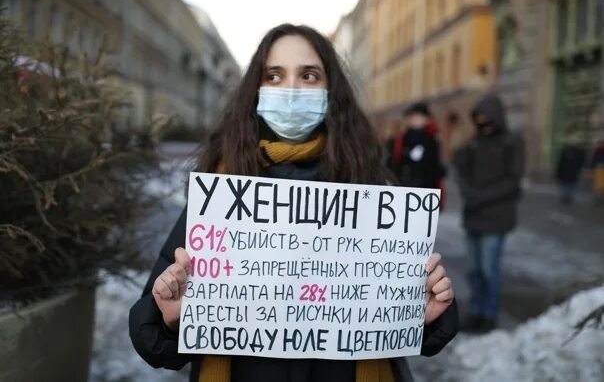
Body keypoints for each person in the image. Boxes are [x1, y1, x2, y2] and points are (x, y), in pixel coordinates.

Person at [129, 24, 458, 382]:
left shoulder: (371, 191)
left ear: (331, 92)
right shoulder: (221, 195)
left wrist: (423, 313)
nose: (291, 90)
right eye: (274, 75)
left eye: (309, 75)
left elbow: (407, 317)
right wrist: (171, 318)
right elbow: (152, 332)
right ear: (255, 90)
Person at [453, 94, 524, 333]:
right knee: (473, 270)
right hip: (474, 216)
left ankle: (489, 314)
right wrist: (460, 149)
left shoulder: (512, 142)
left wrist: (480, 197)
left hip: (496, 216)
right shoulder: (474, 142)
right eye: (478, 117)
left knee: (488, 269)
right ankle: (476, 311)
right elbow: (461, 172)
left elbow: (513, 181)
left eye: (485, 116)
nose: (482, 121)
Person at [555, 134, 587, 205]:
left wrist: (558, 172)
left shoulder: (566, 151)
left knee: (566, 184)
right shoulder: (577, 152)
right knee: (570, 185)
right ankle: (568, 197)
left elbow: (560, 163)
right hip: (572, 172)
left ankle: (565, 197)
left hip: (566, 172)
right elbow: (580, 162)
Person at [589, 139, 604, 204]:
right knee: (600, 184)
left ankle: (598, 197)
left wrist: (591, 168)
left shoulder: (598, 150)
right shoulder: (598, 149)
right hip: (599, 168)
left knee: (598, 183)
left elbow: (594, 159)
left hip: (599, 168)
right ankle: (599, 197)